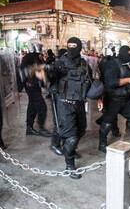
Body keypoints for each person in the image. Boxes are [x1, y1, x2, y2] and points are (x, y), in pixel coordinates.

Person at [35, 37, 103, 179]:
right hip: (64, 105)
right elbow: (50, 74)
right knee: (71, 137)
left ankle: (69, 150)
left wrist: (98, 98)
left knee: (80, 131)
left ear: (79, 48)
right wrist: (44, 75)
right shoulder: (60, 63)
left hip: (79, 104)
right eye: (69, 45)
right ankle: (69, 165)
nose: (72, 48)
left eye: (75, 45)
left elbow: (90, 82)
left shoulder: (84, 64)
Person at [20, 40, 51, 137]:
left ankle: (29, 128)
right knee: (42, 107)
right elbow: (22, 71)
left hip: (35, 85)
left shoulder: (35, 57)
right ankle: (41, 128)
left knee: (32, 107)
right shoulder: (28, 57)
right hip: (31, 86)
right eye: (38, 46)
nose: (40, 48)